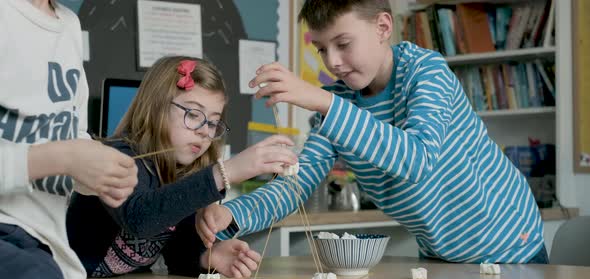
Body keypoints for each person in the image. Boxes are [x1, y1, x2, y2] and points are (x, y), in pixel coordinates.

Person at [196, 0, 548, 264]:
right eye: (321, 49)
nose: (332, 61)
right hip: (441, 254)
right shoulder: (338, 103)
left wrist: (321, 100)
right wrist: (234, 214)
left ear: (383, 27)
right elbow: (296, 185)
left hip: (510, 244)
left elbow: (418, 160)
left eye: (343, 44)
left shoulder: (426, 72)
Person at [66, 56, 299, 279]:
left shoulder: (188, 173)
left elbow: (177, 254)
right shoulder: (117, 156)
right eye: (194, 114)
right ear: (155, 109)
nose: (204, 131)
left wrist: (207, 257)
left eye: (213, 121)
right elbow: (139, 218)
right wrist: (222, 173)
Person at [0, 1, 138, 279]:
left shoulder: (70, 26)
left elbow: (69, 134)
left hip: (40, 243)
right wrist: (65, 158)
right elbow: (63, 151)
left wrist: (97, 174)